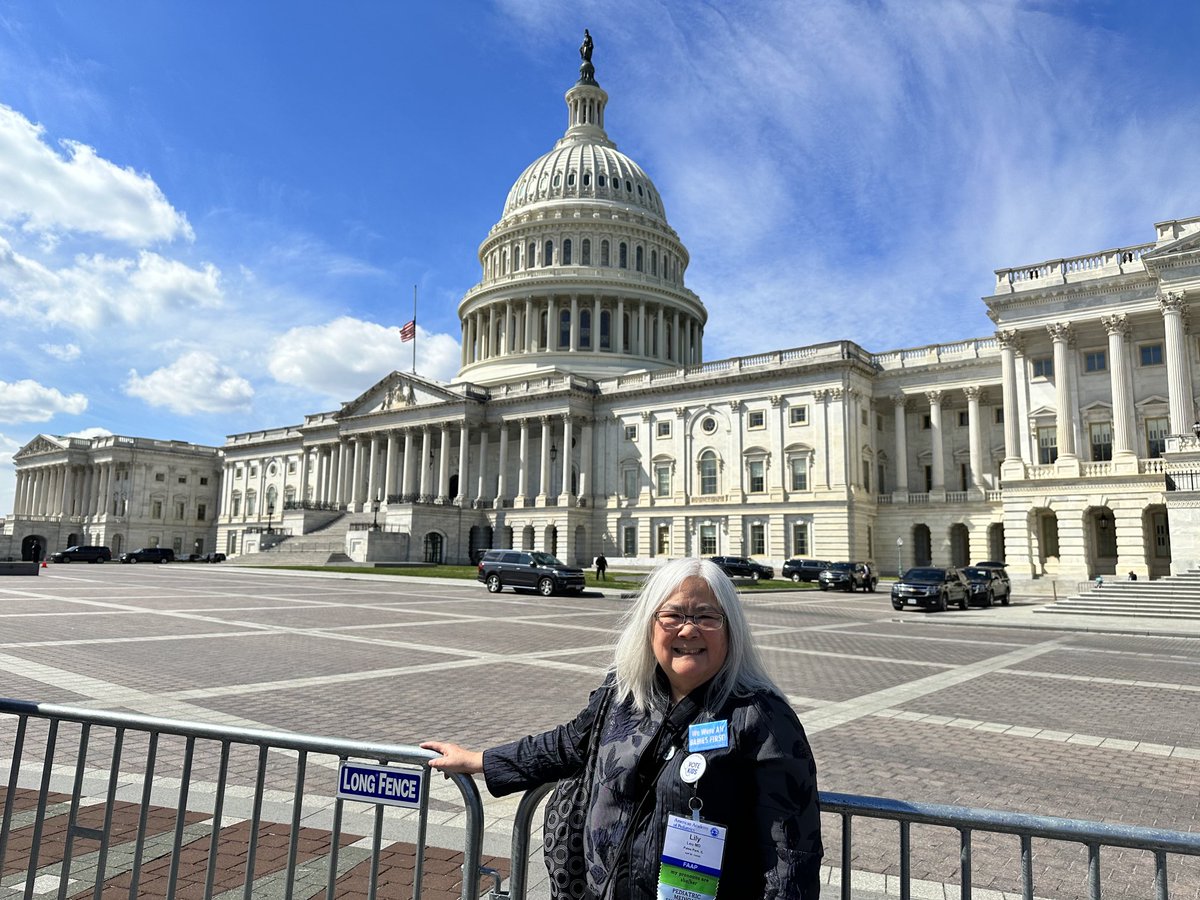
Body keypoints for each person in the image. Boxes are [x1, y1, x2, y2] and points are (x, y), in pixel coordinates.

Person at [422, 557, 823, 899]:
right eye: (673, 615)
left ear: (730, 629)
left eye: (706, 616)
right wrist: (480, 760)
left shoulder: (761, 717)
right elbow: (567, 745)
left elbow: (790, 856)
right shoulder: (624, 696)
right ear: (651, 626)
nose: (688, 630)